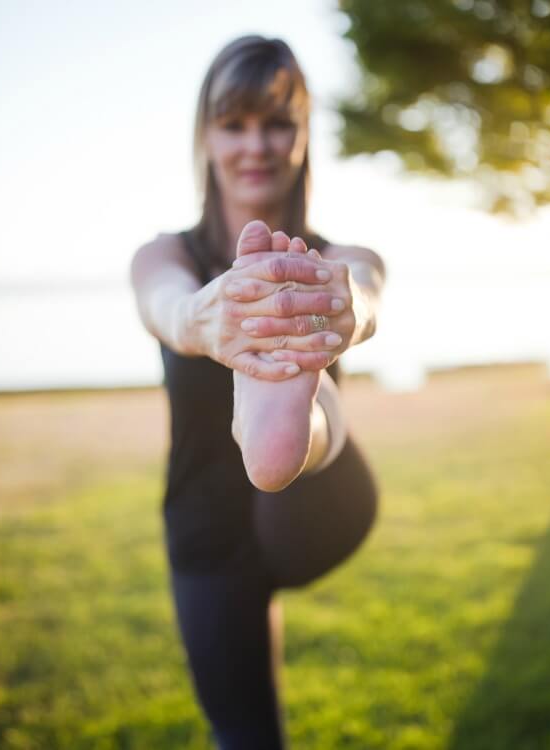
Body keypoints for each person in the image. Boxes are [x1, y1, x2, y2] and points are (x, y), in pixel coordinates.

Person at [130, 34, 386, 750]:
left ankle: (288, 415)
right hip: (209, 535)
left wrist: (346, 309)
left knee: (305, 364)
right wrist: (203, 320)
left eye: (278, 122)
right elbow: (163, 301)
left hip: (316, 509)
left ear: (303, 136)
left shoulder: (333, 260)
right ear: (205, 136)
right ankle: (282, 395)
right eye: (234, 123)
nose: (257, 146)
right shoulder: (167, 257)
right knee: (246, 738)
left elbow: (367, 289)